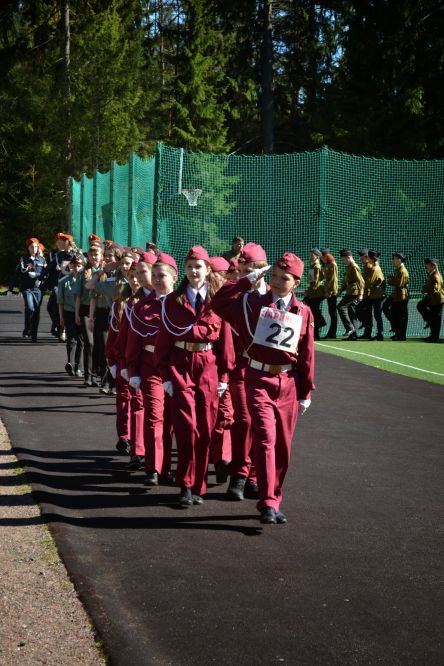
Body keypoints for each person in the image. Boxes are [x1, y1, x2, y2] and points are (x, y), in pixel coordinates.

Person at [212, 252, 315, 524]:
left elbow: (307, 354)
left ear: (296, 283)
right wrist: (246, 280)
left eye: (285, 278)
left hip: (289, 383)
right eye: (275, 276)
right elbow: (218, 302)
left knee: (283, 446)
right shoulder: (251, 303)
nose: (278, 282)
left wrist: (306, 391)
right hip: (257, 379)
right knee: (266, 439)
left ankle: (275, 497)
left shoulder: (303, 311)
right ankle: (267, 502)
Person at [154, 246, 234, 507]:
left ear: (208, 269)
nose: (193, 271)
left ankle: (198, 485)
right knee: (186, 427)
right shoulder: (172, 301)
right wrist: (165, 375)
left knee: (205, 428)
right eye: (189, 267)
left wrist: (224, 376)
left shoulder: (217, 301)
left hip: (208, 365)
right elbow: (163, 339)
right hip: (180, 364)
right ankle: (186, 484)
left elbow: (225, 341)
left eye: (198, 266)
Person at [222, 242, 269, 501]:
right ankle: (239, 474)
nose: (247, 276)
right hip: (241, 366)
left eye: (252, 271)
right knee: (244, 419)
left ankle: (253, 476)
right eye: (243, 271)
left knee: (263, 425)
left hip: (267, 371)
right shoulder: (236, 295)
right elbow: (218, 303)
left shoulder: (274, 295)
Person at [126, 253, 178, 485]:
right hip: (151, 367)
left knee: (172, 420)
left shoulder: (182, 304)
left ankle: (165, 468)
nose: (157, 279)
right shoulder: (142, 306)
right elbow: (134, 340)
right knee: (154, 416)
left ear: (174, 277)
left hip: (176, 368)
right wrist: (133, 371)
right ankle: (153, 468)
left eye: (161, 275)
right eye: (154, 275)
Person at [208, 257, 233, 484]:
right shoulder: (205, 301)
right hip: (214, 365)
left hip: (236, 365)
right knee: (219, 414)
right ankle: (220, 457)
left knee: (225, 415)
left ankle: (223, 457)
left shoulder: (238, 299)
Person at [8, 238, 47, 342]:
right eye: (31, 246)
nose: (34, 248)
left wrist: (37, 275)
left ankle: (34, 334)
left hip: (38, 289)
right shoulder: (23, 260)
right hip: (26, 289)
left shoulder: (42, 260)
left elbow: (46, 274)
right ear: (28, 248)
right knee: (30, 308)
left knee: (36, 311)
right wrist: (10, 289)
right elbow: (16, 275)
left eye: (35, 246)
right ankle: (27, 328)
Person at [57, 254, 85, 377]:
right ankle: (70, 362)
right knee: (71, 339)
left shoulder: (86, 281)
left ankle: (78, 366)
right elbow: (60, 301)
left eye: (79, 266)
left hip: (82, 313)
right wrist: (61, 317)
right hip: (69, 313)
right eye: (74, 265)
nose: (76, 268)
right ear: (70, 266)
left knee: (81, 340)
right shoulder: (63, 282)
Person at [46, 232, 77, 340]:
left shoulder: (76, 254)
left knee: (65, 307)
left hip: (72, 284)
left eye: (60, 242)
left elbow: (81, 266)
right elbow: (49, 266)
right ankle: (58, 325)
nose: (58, 244)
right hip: (59, 283)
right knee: (50, 307)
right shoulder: (58, 254)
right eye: (57, 242)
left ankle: (63, 329)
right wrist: (40, 278)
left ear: (67, 242)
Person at [337, 249, 365, 340]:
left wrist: (361, 294)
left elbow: (361, 281)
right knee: (351, 312)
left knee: (341, 307)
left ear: (349, 257)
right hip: (350, 291)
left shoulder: (354, 266)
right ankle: (353, 335)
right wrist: (341, 290)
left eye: (343, 259)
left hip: (354, 292)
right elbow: (346, 281)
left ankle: (349, 328)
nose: (343, 261)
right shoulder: (348, 266)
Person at [383, 252, 409, 341]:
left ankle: (401, 335)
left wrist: (391, 280)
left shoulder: (402, 270)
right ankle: (397, 331)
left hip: (401, 297)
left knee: (401, 316)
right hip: (396, 296)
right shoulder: (398, 269)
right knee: (390, 311)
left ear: (399, 260)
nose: (392, 261)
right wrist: (392, 278)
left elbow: (399, 284)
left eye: (394, 259)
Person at [360, 250, 385, 340]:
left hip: (377, 295)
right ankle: (368, 333)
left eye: (368, 258)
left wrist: (363, 289)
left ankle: (380, 334)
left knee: (377, 315)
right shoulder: (374, 267)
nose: (367, 259)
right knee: (369, 314)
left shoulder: (375, 268)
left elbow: (370, 282)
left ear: (371, 259)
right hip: (373, 295)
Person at [417, 258, 443, 343]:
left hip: (437, 299)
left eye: (428, 265)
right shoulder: (433, 274)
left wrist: (426, 289)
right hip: (432, 298)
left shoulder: (435, 276)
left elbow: (436, 289)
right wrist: (425, 288)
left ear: (433, 266)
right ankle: (429, 323)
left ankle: (434, 337)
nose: (427, 267)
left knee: (436, 318)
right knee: (421, 306)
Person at [304, 248, 326, 340]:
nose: (310, 256)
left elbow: (315, 282)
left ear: (317, 256)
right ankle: (318, 327)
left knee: (314, 312)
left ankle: (319, 327)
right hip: (313, 292)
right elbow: (312, 281)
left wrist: (309, 292)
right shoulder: (313, 266)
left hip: (316, 293)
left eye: (312, 255)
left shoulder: (316, 266)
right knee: (314, 311)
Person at [320, 248, 338, 338]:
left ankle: (332, 333)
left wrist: (330, 291)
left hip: (331, 291)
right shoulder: (326, 264)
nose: (320, 258)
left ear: (325, 256)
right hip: (326, 290)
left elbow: (333, 279)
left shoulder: (332, 264)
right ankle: (330, 331)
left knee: (333, 312)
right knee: (331, 312)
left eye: (321, 256)